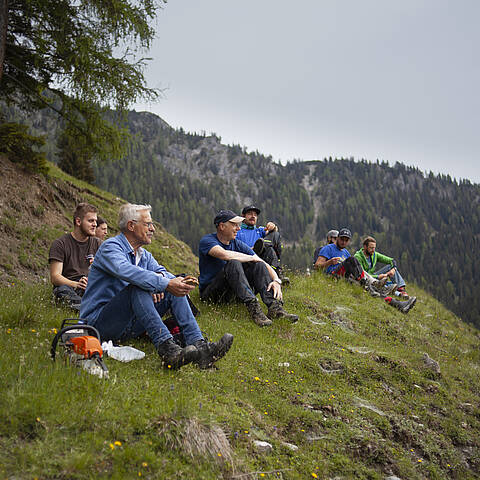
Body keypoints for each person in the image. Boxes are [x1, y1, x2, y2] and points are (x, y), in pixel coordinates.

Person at [80, 203, 233, 370]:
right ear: (131, 225)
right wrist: (162, 283)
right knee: (138, 288)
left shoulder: (143, 255)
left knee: (174, 289)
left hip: (129, 325)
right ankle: (168, 349)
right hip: (98, 324)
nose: (152, 229)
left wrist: (165, 284)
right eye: (148, 224)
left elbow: (162, 272)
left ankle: (201, 348)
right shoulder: (111, 247)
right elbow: (127, 272)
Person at [199, 210, 298, 327]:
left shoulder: (236, 243)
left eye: (238, 225)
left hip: (233, 291)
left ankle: (275, 308)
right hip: (212, 295)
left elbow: (260, 261)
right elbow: (225, 255)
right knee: (234, 263)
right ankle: (254, 308)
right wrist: (251, 258)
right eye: (234, 225)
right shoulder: (208, 241)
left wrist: (276, 280)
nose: (238, 228)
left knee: (259, 265)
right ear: (222, 226)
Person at [314, 228, 416, 313]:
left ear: (349, 241)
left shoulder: (345, 252)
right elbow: (317, 266)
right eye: (342, 239)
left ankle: (399, 305)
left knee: (373, 291)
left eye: (346, 240)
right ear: (338, 239)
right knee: (352, 260)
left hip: (345, 277)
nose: (344, 242)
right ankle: (370, 282)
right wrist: (330, 262)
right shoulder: (328, 248)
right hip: (333, 275)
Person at [48, 203, 101, 310]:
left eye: (96, 221)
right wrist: (76, 284)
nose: (95, 224)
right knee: (62, 291)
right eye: (91, 221)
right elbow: (55, 277)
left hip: (91, 286)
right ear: (78, 221)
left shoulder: (99, 244)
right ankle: (87, 308)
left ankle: (86, 307)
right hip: (70, 286)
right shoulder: (60, 244)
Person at [236, 205, 287, 282]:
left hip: (262, 258)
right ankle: (277, 273)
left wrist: (272, 226)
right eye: (250, 214)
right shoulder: (237, 232)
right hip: (247, 260)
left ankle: (275, 272)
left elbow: (274, 233)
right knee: (267, 246)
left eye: (255, 215)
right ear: (243, 216)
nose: (253, 216)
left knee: (274, 236)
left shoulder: (259, 230)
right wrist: (252, 249)